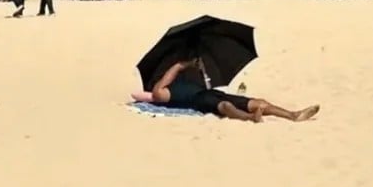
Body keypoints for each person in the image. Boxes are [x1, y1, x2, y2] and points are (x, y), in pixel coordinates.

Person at [132, 59, 320, 122]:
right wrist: (181, 65)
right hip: (200, 101)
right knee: (224, 105)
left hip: (210, 93)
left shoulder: (186, 80)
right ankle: (250, 118)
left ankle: (292, 115)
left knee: (257, 102)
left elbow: (207, 85)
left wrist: (200, 70)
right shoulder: (162, 94)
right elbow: (158, 90)